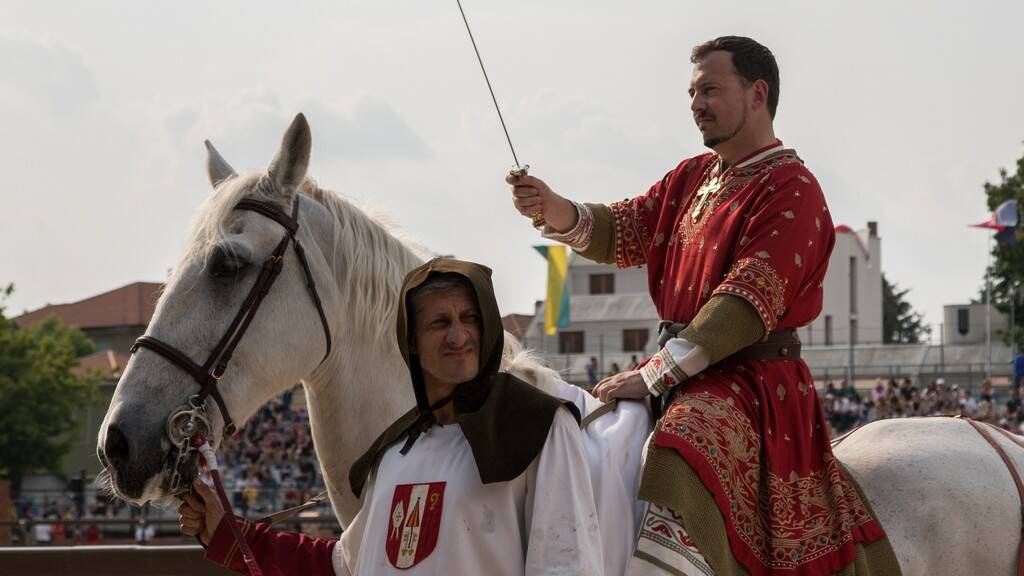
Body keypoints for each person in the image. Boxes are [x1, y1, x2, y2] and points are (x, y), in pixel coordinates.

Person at [510, 36, 895, 576]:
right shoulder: (692, 176)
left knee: (678, 446)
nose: (696, 103)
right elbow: (624, 230)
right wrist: (555, 208)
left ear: (757, 94)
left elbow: (741, 306)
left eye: (710, 89)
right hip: (685, 371)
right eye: (692, 92)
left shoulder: (793, 187)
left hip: (751, 381)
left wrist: (652, 376)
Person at [180, 258, 603, 575]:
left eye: (469, 318)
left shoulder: (538, 426)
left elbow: (566, 565)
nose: (459, 335)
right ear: (412, 341)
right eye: (440, 322)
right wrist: (229, 533)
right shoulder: (395, 451)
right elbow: (344, 567)